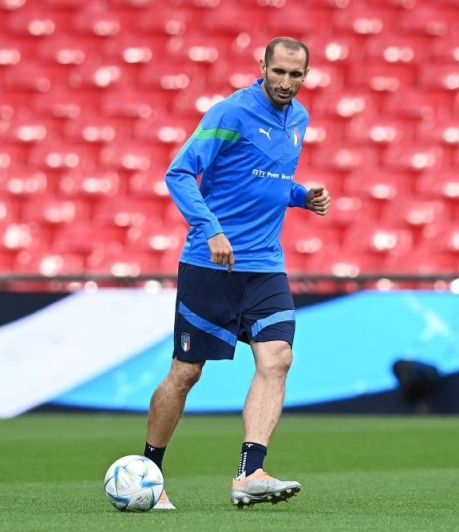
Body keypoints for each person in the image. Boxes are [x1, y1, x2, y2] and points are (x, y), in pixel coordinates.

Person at [142, 36, 331, 510]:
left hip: (265, 265)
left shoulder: (299, 120)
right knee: (186, 373)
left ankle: (250, 472)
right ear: (262, 66)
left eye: (296, 74)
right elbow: (179, 173)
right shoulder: (230, 113)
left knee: (278, 358)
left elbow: (266, 182)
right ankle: (148, 470)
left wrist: (302, 196)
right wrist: (210, 229)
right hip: (212, 264)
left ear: (306, 76)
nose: (287, 82)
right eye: (280, 71)